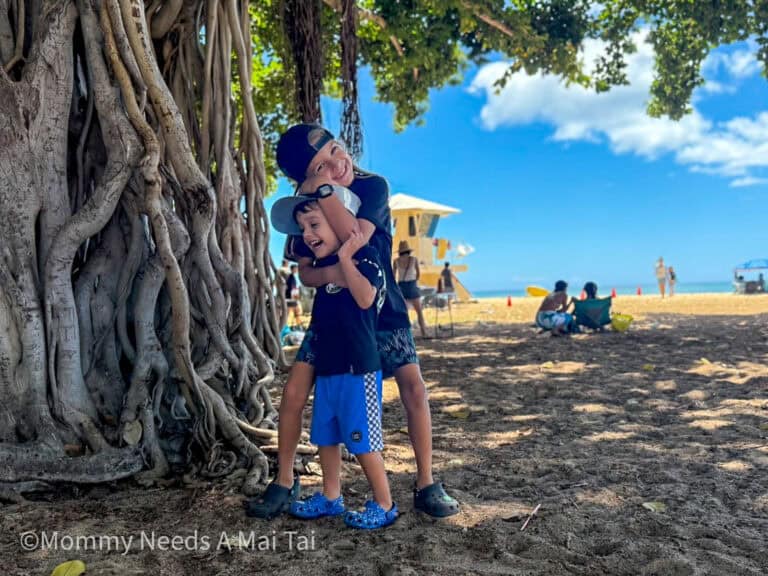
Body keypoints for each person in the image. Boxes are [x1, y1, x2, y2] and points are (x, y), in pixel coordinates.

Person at [245, 123, 459, 520]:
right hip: (333, 313)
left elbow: (353, 237)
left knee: (413, 388)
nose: (336, 164)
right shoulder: (302, 205)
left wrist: (323, 190)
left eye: (335, 151)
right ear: (303, 178)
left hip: (382, 308)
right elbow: (306, 268)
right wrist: (333, 275)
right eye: (321, 166)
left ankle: (427, 482)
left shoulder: (372, 187)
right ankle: (284, 480)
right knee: (293, 392)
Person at [269, 191, 397, 528]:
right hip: (328, 367)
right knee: (325, 436)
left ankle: (384, 503)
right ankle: (331, 496)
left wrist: (345, 260)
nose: (308, 235)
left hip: (359, 368)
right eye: (303, 228)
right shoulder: (322, 266)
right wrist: (331, 263)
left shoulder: (367, 258)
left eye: (314, 224)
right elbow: (309, 274)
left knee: (362, 442)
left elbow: (366, 298)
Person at [394, 240, 428, 338]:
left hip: (401, 286)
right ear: (408, 250)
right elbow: (418, 274)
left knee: (404, 312)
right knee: (419, 311)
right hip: (412, 285)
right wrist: (414, 281)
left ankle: (405, 335)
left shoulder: (396, 261)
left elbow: (393, 276)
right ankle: (424, 332)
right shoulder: (414, 259)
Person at [285, 263, 303, 328]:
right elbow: (292, 289)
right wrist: (295, 298)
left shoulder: (291, 277)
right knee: (297, 311)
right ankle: (297, 326)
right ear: (293, 269)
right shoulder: (291, 277)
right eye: (296, 268)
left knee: (291, 312)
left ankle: (293, 325)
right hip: (290, 298)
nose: (297, 270)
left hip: (289, 298)